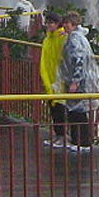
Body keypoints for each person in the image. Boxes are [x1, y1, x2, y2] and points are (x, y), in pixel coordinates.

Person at [58, 11, 99, 149]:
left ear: (74, 25)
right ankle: (78, 141)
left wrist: (75, 81)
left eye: (67, 24)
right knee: (75, 110)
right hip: (79, 79)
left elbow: (79, 60)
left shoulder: (75, 39)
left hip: (78, 81)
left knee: (77, 112)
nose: (64, 26)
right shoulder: (76, 36)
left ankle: (82, 142)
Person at [38, 11, 68, 147]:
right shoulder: (47, 39)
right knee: (53, 108)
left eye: (52, 23)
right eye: (48, 22)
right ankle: (58, 135)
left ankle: (62, 136)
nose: (49, 25)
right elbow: (43, 61)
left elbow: (76, 34)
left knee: (60, 108)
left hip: (59, 79)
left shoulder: (62, 37)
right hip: (49, 79)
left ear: (58, 24)